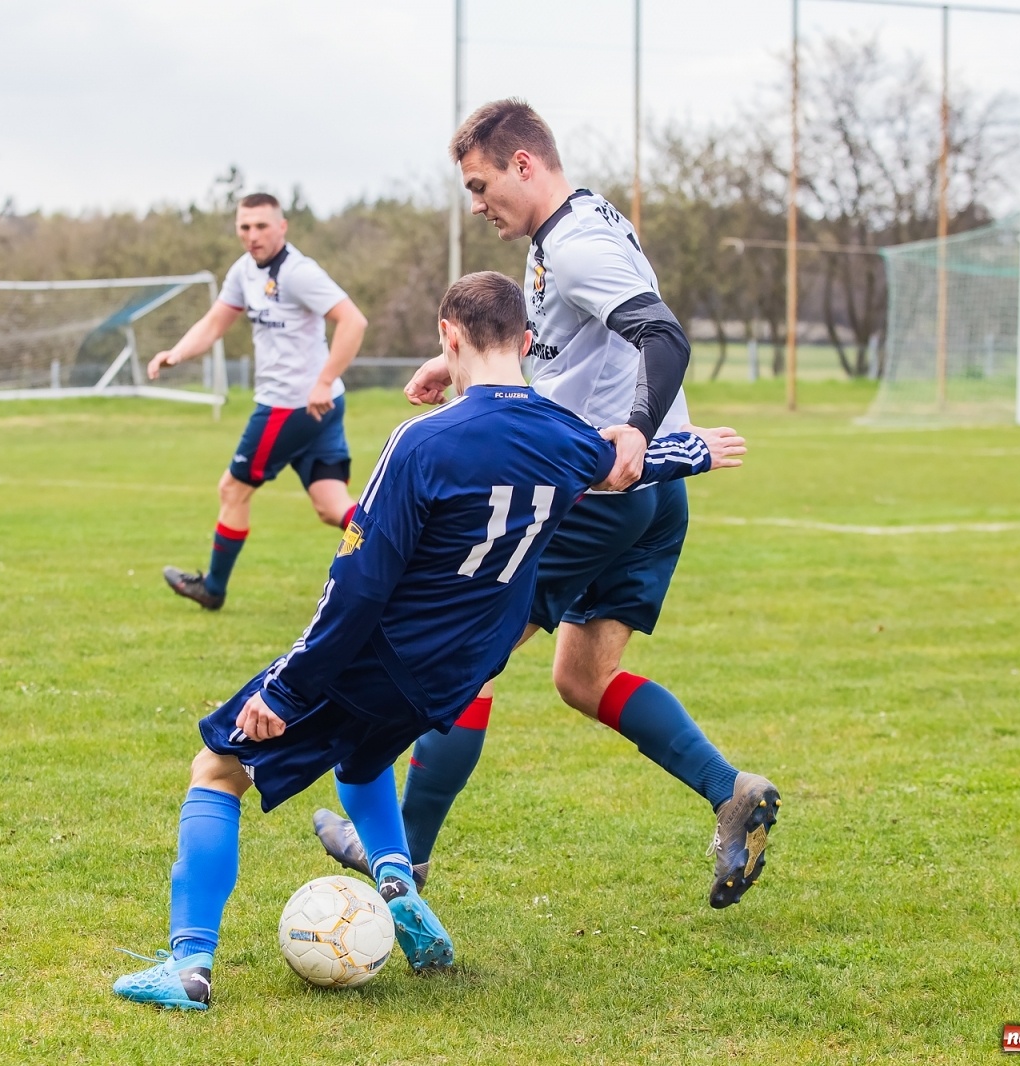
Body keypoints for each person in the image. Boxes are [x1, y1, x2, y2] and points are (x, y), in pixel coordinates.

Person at [112, 272, 742, 1010]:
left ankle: (188, 966)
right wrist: (692, 453)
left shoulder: (421, 442)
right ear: (529, 343)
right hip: (458, 673)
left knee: (217, 767)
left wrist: (284, 691)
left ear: (449, 338)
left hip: (386, 658)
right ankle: (400, 890)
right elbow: (619, 466)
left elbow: (358, 586)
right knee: (364, 755)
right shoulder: (563, 432)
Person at [314, 99, 780, 910]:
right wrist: (449, 358)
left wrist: (632, 431)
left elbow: (662, 335)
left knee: (461, 654)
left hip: (604, 485)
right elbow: (566, 343)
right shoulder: (567, 228)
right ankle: (729, 790)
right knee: (584, 675)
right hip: (650, 493)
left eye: (481, 183)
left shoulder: (576, 243)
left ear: (523, 164)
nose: (477, 202)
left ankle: (404, 857)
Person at [147, 192, 368, 611]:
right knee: (330, 504)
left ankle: (212, 588)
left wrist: (323, 380)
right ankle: (402, 553)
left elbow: (353, 321)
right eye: (244, 227)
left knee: (232, 488)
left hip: (290, 408)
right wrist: (176, 353)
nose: (253, 235)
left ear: (282, 227)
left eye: (262, 226)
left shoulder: (299, 273)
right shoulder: (244, 272)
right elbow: (215, 322)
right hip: (319, 409)